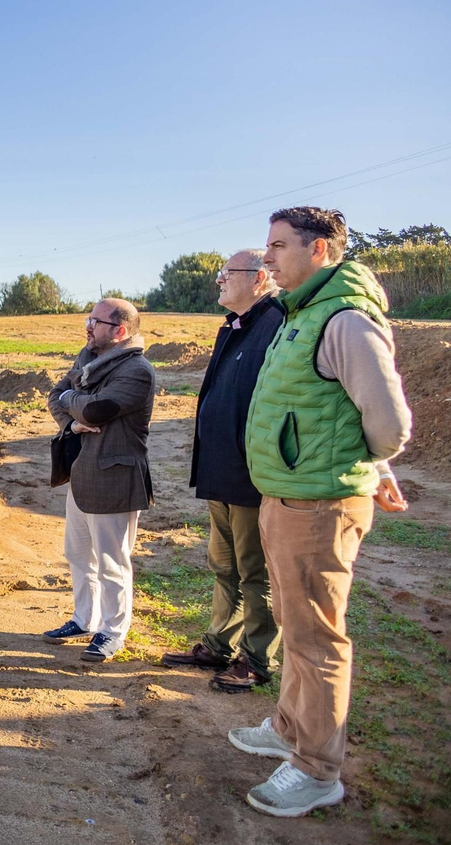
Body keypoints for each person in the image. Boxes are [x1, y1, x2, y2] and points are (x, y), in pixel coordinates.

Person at [228, 207, 412, 818]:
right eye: (268, 246)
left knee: (316, 640)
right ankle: (289, 726)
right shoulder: (300, 314)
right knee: (292, 622)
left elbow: (388, 426)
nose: (269, 258)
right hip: (288, 496)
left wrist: (366, 465)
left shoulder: (347, 321)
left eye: (279, 246)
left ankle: (316, 769)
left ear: (322, 251)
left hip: (320, 503)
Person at [162, 250, 285, 693]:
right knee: (224, 566)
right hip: (220, 469)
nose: (218, 280)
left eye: (226, 273)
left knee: (255, 571)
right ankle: (218, 645)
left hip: (251, 475)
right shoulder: (236, 326)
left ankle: (256, 660)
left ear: (258, 279)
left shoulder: (276, 323)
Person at [43, 298, 156, 663]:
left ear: (120, 331)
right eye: (87, 318)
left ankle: (112, 631)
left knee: (112, 561)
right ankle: (84, 619)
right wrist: (71, 422)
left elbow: (96, 409)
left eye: (95, 321)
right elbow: (55, 397)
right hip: (81, 473)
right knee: (77, 554)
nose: (87, 326)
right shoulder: (87, 356)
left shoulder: (137, 370)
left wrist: (72, 399)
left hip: (115, 479)